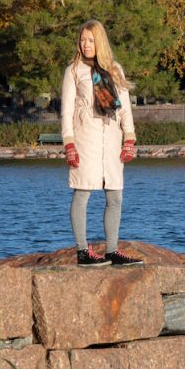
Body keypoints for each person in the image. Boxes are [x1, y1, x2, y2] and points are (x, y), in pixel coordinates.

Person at [60, 20, 144, 267]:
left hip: (111, 139)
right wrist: (69, 143)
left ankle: (112, 250)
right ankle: (82, 251)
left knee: (115, 196)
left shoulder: (114, 69)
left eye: (91, 40)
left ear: (100, 41)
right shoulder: (74, 71)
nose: (86, 45)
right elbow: (66, 112)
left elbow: (125, 108)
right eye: (83, 40)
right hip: (86, 139)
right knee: (83, 191)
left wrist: (129, 137)